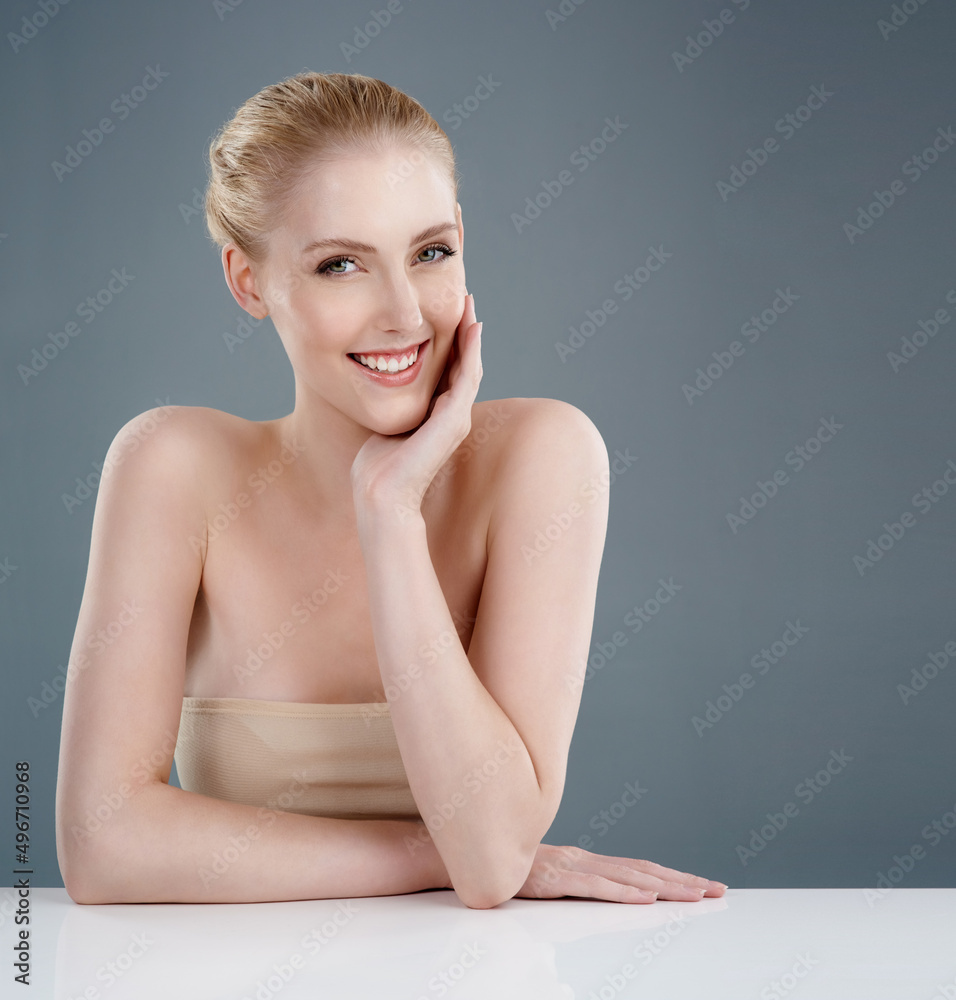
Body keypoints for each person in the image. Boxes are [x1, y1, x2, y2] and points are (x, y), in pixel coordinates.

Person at [55, 70, 727, 909]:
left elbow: (486, 861)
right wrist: (427, 855)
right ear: (249, 282)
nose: (406, 314)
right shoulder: (173, 465)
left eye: (431, 252)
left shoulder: (543, 458)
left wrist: (390, 515)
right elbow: (103, 849)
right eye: (342, 265)